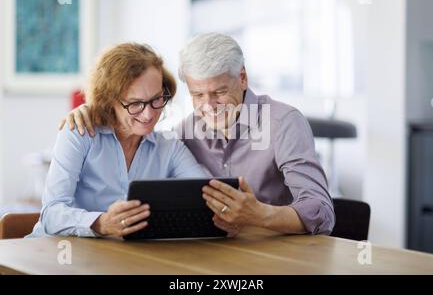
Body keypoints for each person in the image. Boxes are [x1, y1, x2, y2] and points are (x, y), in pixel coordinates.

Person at [60, 33, 335, 236]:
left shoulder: (283, 123)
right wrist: (98, 109)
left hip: (281, 256)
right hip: (214, 254)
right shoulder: (184, 133)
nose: (209, 106)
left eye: (219, 92)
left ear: (242, 78)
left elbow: (322, 211)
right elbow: (139, 126)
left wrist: (262, 215)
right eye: (197, 95)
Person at [28, 43, 206, 238]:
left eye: (157, 99)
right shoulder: (79, 134)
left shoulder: (170, 147)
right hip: (55, 254)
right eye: (136, 103)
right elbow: (51, 214)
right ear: (109, 100)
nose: (149, 114)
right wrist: (100, 223)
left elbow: (205, 194)